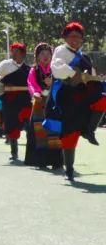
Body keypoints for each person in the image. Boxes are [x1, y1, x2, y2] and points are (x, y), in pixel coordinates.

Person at [44, 22, 105, 181]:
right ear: (65, 38)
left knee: (103, 99)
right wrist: (73, 74)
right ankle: (69, 170)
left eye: (78, 37)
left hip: (83, 96)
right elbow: (56, 67)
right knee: (69, 134)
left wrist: (95, 78)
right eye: (71, 36)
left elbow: (91, 75)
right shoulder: (61, 50)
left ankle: (89, 131)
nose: (75, 39)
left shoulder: (85, 57)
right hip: (67, 97)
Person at [0, 43, 33, 161]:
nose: (14, 54)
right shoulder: (5, 65)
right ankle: (14, 153)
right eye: (13, 51)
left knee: (30, 126)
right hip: (9, 101)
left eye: (17, 52)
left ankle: (31, 153)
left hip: (25, 101)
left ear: (23, 54)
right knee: (12, 126)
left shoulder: (28, 69)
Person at [25, 42, 63, 170]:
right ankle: (41, 161)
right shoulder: (34, 70)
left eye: (48, 54)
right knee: (39, 132)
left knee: (54, 130)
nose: (45, 56)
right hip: (39, 102)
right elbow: (31, 83)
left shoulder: (56, 69)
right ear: (37, 57)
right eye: (42, 54)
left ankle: (56, 161)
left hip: (54, 103)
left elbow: (62, 82)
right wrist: (36, 92)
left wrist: (54, 83)